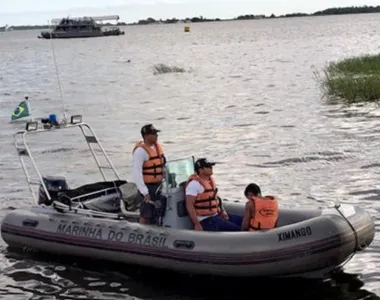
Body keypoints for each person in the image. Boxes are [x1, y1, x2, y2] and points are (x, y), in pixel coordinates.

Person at [185, 158, 240, 231]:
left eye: (211, 166)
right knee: (237, 229)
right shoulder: (194, 184)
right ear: (200, 170)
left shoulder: (210, 181)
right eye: (208, 166)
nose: (211, 168)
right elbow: (189, 205)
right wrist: (197, 224)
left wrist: (222, 211)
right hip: (206, 220)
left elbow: (216, 198)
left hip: (216, 215)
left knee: (241, 221)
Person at [132, 124, 166, 225]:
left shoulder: (157, 147)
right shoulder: (140, 152)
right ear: (146, 136)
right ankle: (142, 231)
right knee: (146, 213)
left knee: (158, 211)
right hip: (148, 187)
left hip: (159, 186)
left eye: (156, 133)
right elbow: (136, 172)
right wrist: (144, 192)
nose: (156, 136)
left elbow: (164, 164)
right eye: (154, 134)